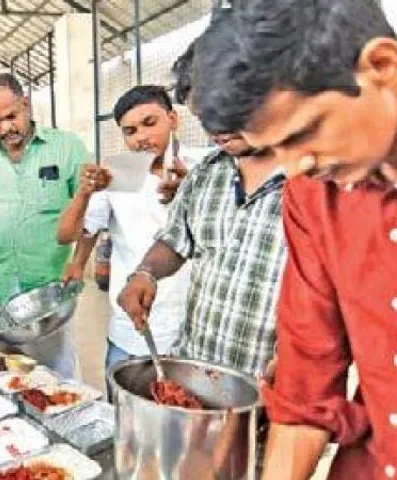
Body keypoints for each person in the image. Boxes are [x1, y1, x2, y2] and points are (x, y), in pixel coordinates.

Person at [192, 1, 397, 478]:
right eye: (274, 148)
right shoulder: (313, 194)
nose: (294, 166)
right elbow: (305, 389)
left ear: (381, 65)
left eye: (306, 132)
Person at [117, 37, 287, 380]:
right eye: (204, 117)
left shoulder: (317, 181)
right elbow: (176, 239)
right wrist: (145, 272)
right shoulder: (207, 173)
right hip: (195, 374)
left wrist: (303, 357)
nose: (215, 130)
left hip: (271, 391)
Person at [56, 86, 192, 393]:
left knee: (182, 418)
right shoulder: (119, 173)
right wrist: (84, 193)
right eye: (129, 131)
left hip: (189, 325)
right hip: (130, 327)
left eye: (150, 123)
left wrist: (191, 190)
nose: (140, 137)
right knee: (122, 416)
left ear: (172, 119)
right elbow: (72, 232)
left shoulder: (203, 166)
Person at [0, 73, 90, 379]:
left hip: (50, 292)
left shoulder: (66, 147)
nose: (6, 127)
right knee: (8, 381)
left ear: (26, 105)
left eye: (12, 116)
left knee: (58, 383)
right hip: (2, 292)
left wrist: (79, 262)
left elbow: (92, 211)